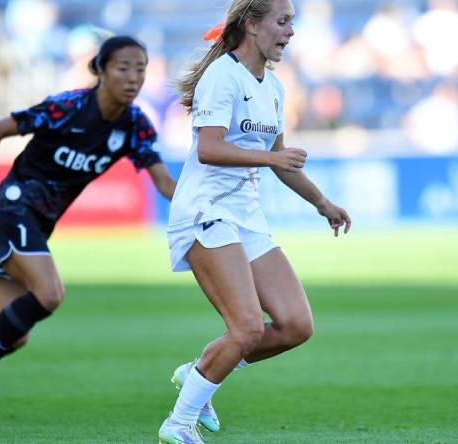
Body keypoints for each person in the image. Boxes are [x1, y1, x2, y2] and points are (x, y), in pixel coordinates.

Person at [0, 36, 176, 424]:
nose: (133, 77)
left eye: (140, 69)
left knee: (12, 334)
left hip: (35, 226)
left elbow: (164, 183)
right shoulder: (69, 107)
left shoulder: (135, 126)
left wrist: (206, 198)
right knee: (50, 293)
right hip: (9, 209)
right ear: (100, 71)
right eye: (123, 68)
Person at [157, 1, 351, 443]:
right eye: (282, 22)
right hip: (205, 211)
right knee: (244, 328)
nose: (290, 32)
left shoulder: (274, 87)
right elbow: (209, 148)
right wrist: (269, 157)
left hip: (246, 216)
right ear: (252, 24)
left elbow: (281, 160)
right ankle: (178, 423)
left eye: (292, 24)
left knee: (296, 325)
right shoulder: (222, 76)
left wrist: (323, 202)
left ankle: (202, 370)